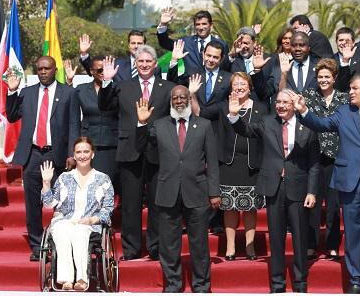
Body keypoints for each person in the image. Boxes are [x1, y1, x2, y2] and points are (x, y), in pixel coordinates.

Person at [293, 74, 360, 294]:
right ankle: (355, 279)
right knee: (352, 234)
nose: (350, 92)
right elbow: (321, 124)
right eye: (350, 88)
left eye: (354, 88)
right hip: (350, 182)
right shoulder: (344, 112)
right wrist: (303, 110)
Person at [229, 88, 320, 292]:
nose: (280, 106)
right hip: (274, 188)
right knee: (276, 238)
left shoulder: (308, 126)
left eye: (285, 102)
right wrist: (234, 116)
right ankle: (277, 283)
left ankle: (300, 282)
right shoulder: (268, 122)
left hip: (299, 188)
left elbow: (314, 163)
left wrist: (312, 191)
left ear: (295, 105)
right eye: (278, 102)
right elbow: (246, 130)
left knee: (299, 238)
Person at [135, 86, 221, 293]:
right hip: (168, 192)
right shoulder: (159, 125)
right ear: (171, 101)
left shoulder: (204, 125)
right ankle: (173, 284)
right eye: (175, 98)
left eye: (183, 97)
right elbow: (140, 147)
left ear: (189, 99)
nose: (179, 101)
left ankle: (201, 285)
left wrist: (214, 192)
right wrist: (142, 124)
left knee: (199, 244)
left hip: (197, 192)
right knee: (169, 244)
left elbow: (212, 161)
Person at [98, 45, 176, 261]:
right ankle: (131, 248)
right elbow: (104, 106)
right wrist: (106, 81)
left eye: (148, 61)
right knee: (130, 205)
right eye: (140, 61)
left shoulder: (168, 87)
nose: (144, 65)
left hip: (158, 151)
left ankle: (155, 247)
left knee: (157, 203)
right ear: (135, 63)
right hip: (129, 150)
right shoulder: (122, 86)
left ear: (155, 64)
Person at [5, 56, 80, 262]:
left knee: (62, 202)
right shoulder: (27, 93)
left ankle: (61, 243)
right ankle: (37, 246)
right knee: (32, 203)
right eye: (39, 69)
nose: (43, 72)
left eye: (47, 68)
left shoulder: (69, 93)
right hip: (32, 154)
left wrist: (72, 154)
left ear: (55, 70)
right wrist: (12, 91)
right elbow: (12, 116)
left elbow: (74, 124)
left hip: (57, 154)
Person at [40, 137, 114, 291]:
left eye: (86, 151)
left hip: (89, 224)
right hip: (65, 221)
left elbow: (108, 209)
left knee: (79, 232)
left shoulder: (103, 179)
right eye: (79, 152)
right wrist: (46, 183)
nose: (82, 155)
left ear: (92, 154)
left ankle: (81, 279)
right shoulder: (64, 178)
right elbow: (49, 204)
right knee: (62, 230)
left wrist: (91, 220)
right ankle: (66, 279)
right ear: (74, 155)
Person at [217, 72, 267, 261]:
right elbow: (219, 133)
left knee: (250, 208)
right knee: (229, 207)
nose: (239, 87)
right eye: (235, 84)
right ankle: (230, 246)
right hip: (229, 164)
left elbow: (263, 135)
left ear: (249, 87)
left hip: (252, 165)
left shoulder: (261, 108)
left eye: (242, 84)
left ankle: (249, 245)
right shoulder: (224, 107)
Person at [302, 59, 349, 260]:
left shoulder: (344, 98)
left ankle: (332, 245)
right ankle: (311, 245)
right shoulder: (308, 96)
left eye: (327, 77)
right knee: (312, 202)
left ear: (334, 78)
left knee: (333, 205)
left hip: (336, 156)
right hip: (312, 155)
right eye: (320, 77)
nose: (323, 80)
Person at [73, 57, 119, 182]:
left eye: (106, 69)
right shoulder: (81, 90)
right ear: (91, 71)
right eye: (99, 70)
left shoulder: (117, 88)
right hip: (87, 142)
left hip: (110, 143)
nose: (103, 73)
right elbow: (73, 120)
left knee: (106, 183)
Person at [168, 39, 232, 121]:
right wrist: (174, 60)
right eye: (208, 55)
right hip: (195, 124)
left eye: (215, 57)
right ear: (203, 54)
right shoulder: (193, 74)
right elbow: (172, 84)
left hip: (219, 124)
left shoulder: (229, 78)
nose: (211, 60)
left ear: (222, 58)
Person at [157, 8, 230, 74]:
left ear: (211, 25)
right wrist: (163, 24)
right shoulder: (186, 42)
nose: (201, 27)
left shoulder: (222, 44)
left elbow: (226, 67)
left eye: (204, 24)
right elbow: (165, 43)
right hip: (189, 83)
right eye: (198, 24)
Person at [253, 31, 319, 103]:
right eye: (294, 45)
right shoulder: (280, 68)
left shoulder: (318, 67)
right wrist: (257, 69)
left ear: (309, 48)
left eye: (301, 45)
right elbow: (263, 95)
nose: (297, 49)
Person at [79, 30, 146, 82]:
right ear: (129, 45)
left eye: (139, 43)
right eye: (133, 43)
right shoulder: (117, 64)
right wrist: (84, 53)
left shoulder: (151, 65)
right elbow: (95, 71)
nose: (136, 46)